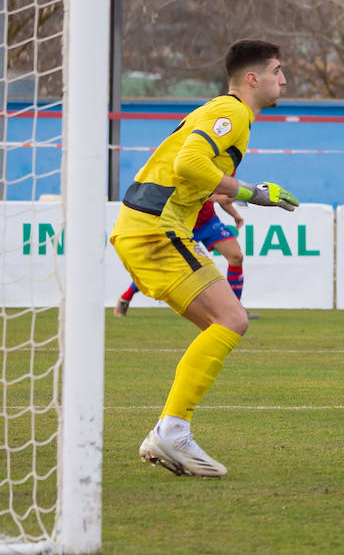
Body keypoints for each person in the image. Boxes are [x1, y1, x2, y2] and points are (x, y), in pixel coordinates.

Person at [109, 40, 299, 478]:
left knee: (224, 324)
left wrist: (235, 197)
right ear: (253, 78)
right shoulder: (231, 112)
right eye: (277, 71)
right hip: (156, 227)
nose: (283, 80)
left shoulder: (225, 114)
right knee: (232, 320)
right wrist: (253, 194)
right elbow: (189, 164)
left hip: (146, 226)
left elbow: (191, 172)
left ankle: (173, 430)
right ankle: (172, 432)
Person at [115, 194, 258, 320]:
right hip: (183, 224)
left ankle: (236, 309)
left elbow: (221, 194)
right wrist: (226, 197)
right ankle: (126, 297)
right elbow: (204, 192)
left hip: (208, 222)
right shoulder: (193, 164)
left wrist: (235, 215)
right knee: (161, 267)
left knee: (236, 256)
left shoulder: (229, 166)